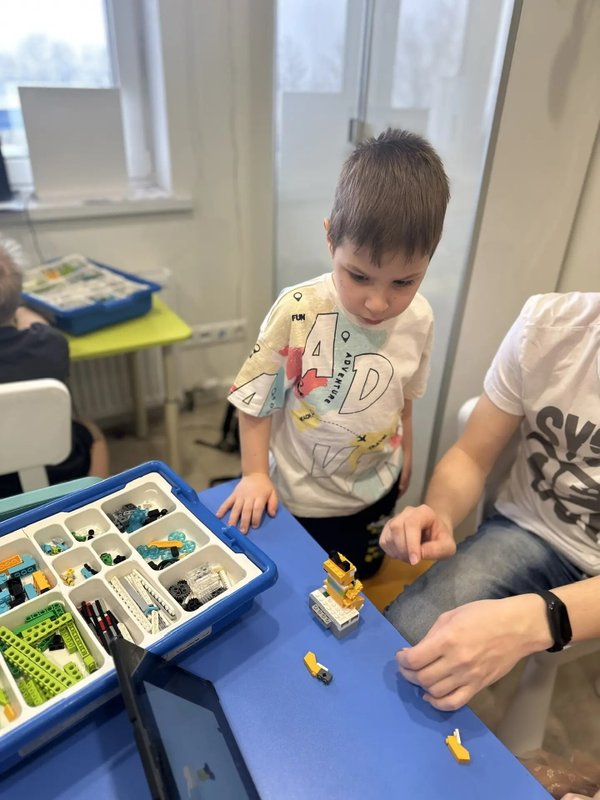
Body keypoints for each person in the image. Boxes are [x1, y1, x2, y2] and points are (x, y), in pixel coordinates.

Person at [216, 128, 450, 577]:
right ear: (330, 239)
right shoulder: (298, 310)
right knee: (305, 583)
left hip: (377, 487)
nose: (378, 303)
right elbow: (255, 397)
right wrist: (255, 474)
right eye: (358, 276)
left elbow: (404, 395)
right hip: (302, 498)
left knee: (360, 579)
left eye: (403, 282)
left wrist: (408, 450)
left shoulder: (420, 317)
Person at [379, 291, 600, 709]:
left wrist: (536, 619)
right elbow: (471, 454)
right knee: (406, 646)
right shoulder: (547, 326)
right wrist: (440, 512)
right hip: (535, 532)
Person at [0, 236, 110, 497]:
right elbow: (37, 324)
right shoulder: (50, 344)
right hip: (61, 470)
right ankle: (92, 499)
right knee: (92, 432)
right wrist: (19, 309)